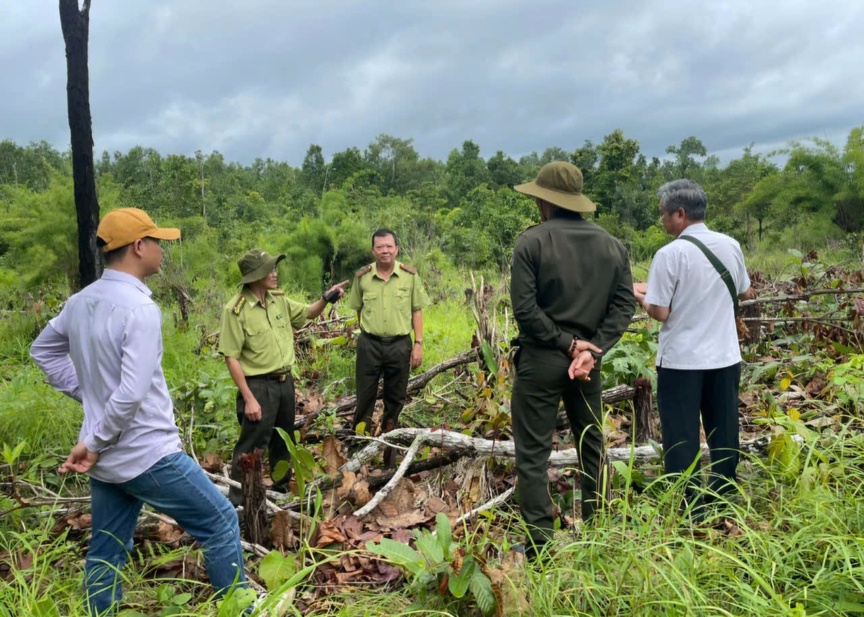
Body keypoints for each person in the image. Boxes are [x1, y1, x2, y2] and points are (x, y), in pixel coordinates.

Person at [30, 208, 247, 616]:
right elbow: (130, 395)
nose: (162, 251)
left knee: (107, 549)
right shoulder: (140, 309)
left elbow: (42, 351)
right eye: (158, 243)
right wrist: (94, 435)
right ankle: (240, 610)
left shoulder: (80, 302)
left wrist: (89, 396)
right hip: (147, 453)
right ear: (138, 246)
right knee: (220, 523)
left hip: (108, 460)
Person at [510, 161, 635, 557]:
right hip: (587, 368)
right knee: (592, 445)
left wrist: (568, 346)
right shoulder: (612, 246)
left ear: (544, 202)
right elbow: (624, 304)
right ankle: (599, 535)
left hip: (543, 360)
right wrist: (591, 348)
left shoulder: (531, 243)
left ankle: (540, 546)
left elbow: (526, 311)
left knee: (533, 455)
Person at [633, 179, 754, 515]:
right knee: (724, 431)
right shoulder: (731, 245)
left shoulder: (669, 254)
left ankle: (689, 507)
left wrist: (639, 296)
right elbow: (744, 291)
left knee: (682, 436)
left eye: (663, 214)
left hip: (682, 363)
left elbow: (660, 311)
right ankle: (723, 500)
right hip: (725, 358)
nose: (661, 220)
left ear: (680, 214)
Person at [219, 249, 348, 505]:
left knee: (282, 441)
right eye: (270, 270)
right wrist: (249, 399)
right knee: (250, 448)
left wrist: (326, 298)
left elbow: (309, 313)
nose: (275, 274)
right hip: (257, 386)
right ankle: (238, 504)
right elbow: (231, 357)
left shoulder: (278, 299)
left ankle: (280, 494)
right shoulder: (236, 310)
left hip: (284, 383)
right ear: (256, 276)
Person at [347, 229, 429, 441]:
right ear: (373, 251)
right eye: (380, 247)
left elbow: (416, 310)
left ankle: (389, 446)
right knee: (365, 396)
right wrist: (366, 332)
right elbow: (358, 308)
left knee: (395, 398)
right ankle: (360, 444)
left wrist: (418, 343)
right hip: (369, 345)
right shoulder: (363, 277)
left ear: (396, 249)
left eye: (389, 246)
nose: (385, 251)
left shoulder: (409, 276)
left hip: (400, 345)